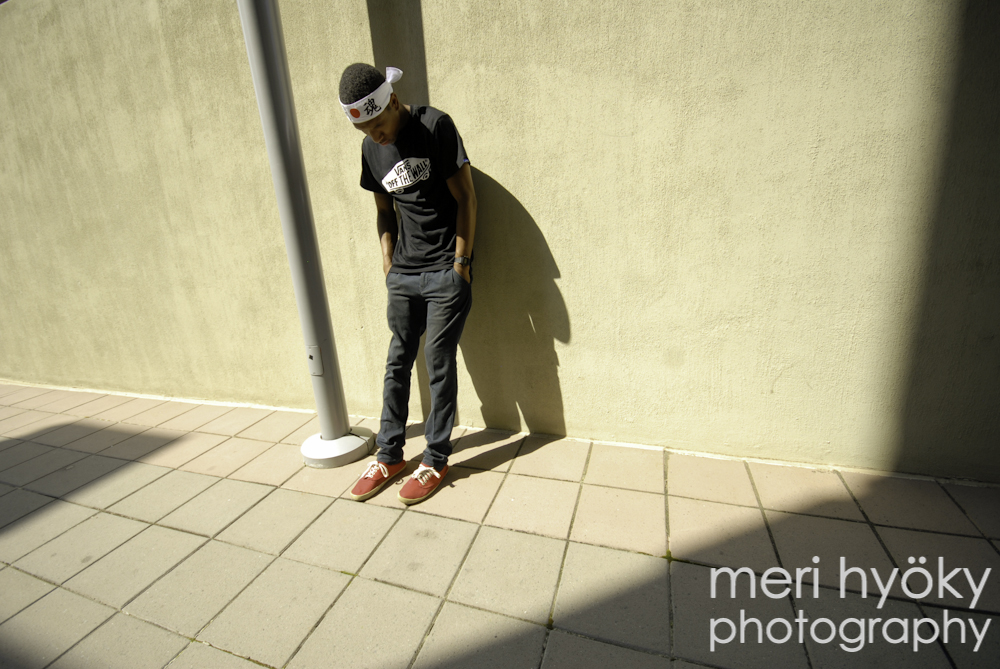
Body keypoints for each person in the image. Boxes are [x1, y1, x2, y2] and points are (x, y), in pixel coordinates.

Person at [339, 63, 476, 505]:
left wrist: (461, 263)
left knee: (438, 361)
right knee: (397, 361)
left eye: (378, 125)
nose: (374, 136)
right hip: (403, 272)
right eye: (364, 130)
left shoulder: (435, 126)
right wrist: (388, 262)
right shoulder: (370, 148)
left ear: (393, 102)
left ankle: (436, 459)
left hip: (445, 270)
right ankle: (389, 455)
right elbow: (384, 211)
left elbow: (466, 197)